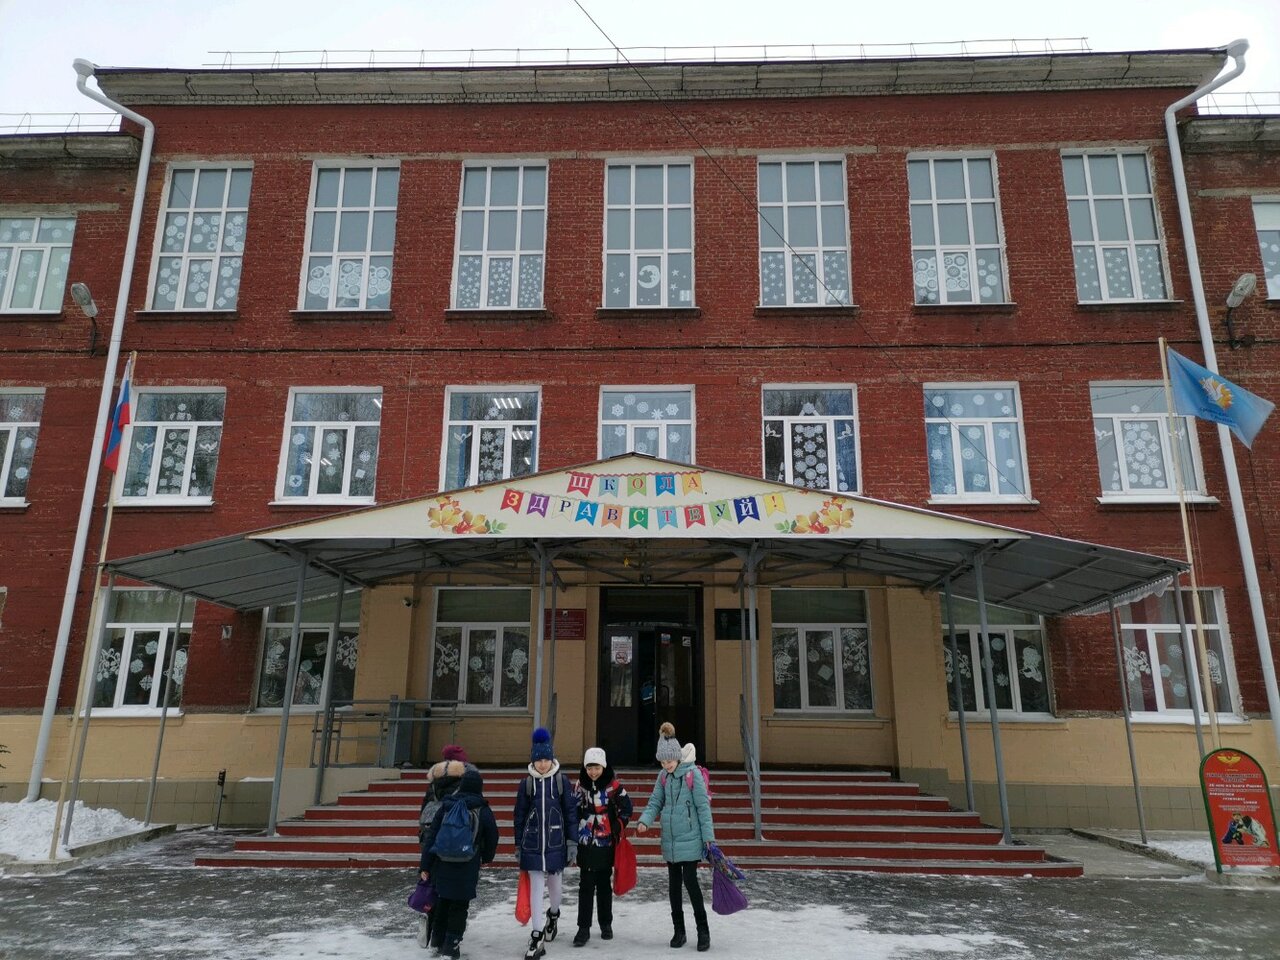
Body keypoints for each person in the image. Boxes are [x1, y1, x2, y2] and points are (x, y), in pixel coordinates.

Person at [636, 722, 715, 952]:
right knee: (673, 887)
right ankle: (679, 931)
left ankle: (703, 931)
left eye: (669, 761)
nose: (666, 765)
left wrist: (708, 838)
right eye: (662, 762)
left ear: (677, 757)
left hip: (690, 839)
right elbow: (655, 802)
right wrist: (644, 820)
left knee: (690, 882)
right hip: (670, 841)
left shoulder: (692, 775)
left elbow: (703, 807)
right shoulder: (663, 777)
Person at [418, 766, 499, 959]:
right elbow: (493, 836)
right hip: (468, 864)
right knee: (460, 906)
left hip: (443, 863)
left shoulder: (446, 806)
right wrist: (486, 857)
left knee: (443, 902)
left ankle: (436, 941)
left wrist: (425, 866)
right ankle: (451, 946)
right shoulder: (482, 809)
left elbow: (431, 837)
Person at [514, 727, 578, 960]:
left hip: (555, 844)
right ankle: (537, 934)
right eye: (539, 760)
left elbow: (570, 813)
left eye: (546, 760)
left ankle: (553, 914)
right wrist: (518, 845)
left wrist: (572, 842)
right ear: (533, 760)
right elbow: (519, 815)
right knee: (536, 889)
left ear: (552, 759)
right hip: (532, 845)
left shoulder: (561, 782)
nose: (542, 764)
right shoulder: (527, 783)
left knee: (556, 889)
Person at [572, 747, 634, 947]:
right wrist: (574, 828)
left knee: (604, 884)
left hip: (606, 841)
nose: (593, 772)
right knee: (585, 885)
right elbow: (573, 808)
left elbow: (627, 808)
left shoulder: (613, 786)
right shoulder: (580, 786)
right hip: (585, 841)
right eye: (589, 768)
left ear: (603, 767)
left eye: (597, 767)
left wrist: (617, 825)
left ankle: (606, 923)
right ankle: (583, 928)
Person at [417, 747, 478, 948]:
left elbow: (423, 807)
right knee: (450, 887)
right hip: (453, 840)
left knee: (433, 880)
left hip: (429, 833)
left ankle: (431, 922)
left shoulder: (434, 781)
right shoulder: (463, 781)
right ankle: (446, 934)